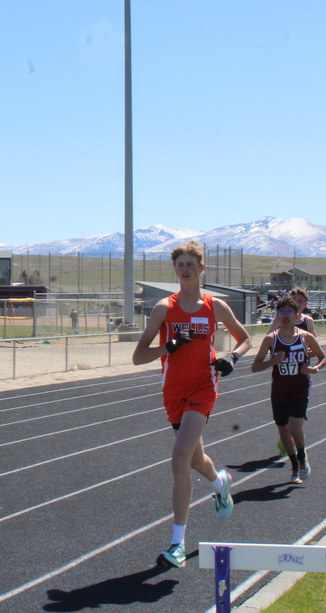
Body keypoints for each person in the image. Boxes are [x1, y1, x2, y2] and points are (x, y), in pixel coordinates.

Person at [132, 240, 252, 569]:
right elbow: (138, 356)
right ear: (176, 271)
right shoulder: (164, 309)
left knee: (179, 459)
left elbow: (245, 338)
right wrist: (168, 347)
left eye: (190, 264)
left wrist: (231, 357)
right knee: (197, 460)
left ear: (202, 269)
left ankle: (177, 544)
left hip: (204, 387)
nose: (185, 269)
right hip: (173, 392)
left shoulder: (215, 306)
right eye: (180, 265)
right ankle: (220, 482)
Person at [251, 296, 326, 483]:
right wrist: (273, 361)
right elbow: (255, 366)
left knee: (295, 428)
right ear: (276, 315)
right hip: (279, 389)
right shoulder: (271, 339)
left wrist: (314, 369)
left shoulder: (306, 337)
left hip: (300, 387)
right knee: (283, 431)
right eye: (281, 312)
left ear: (296, 315)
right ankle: (294, 465)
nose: (285, 316)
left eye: (289, 312)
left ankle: (302, 459)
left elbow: (323, 358)